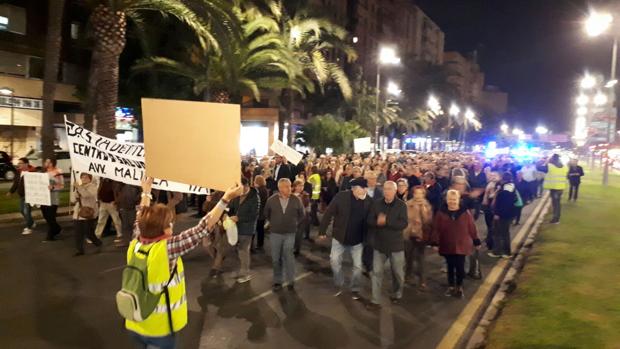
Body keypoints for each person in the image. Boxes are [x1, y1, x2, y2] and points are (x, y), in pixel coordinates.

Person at [124, 178, 242, 348]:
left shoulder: (135, 242)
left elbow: (140, 216)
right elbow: (203, 227)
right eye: (169, 223)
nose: (172, 225)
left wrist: (146, 191)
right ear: (164, 229)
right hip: (159, 329)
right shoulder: (166, 249)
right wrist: (225, 199)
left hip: (135, 322)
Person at [319, 178, 372, 300]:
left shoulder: (369, 202)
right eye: (353, 189)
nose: (354, 191)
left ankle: (355, 288)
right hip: (340, 237)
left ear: (364, 189)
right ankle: (339, 283)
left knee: (358, 266)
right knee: (334, 261)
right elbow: (329, 213)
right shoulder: (341, 197)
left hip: (357, 241)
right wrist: (322, 230)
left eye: (357, 189)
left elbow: (371, 221)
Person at [431, 190, 481, 298]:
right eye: (450, 199)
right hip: (447, 244)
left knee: (460, 267)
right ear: (446, 200)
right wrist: (435, 242)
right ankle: (451, 286)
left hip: (462, 244)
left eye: (454, 199)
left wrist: (476, 240)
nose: (452, 202)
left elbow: (472, 227)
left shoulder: (465, 212)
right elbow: (436, 229)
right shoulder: (441, 213)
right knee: (450, 266)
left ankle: (459, 286)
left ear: (458, 200)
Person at [367, 181, 408, 308]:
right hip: (379, 245)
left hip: (396, 245)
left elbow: (403, 224)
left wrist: (386, 221)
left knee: (398, 273)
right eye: (385, 189)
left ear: (395, 191)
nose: (387, 191)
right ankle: (375, 300)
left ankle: (397, 293)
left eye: (389, 189)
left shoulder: (401, 205)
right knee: (377, 273)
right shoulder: (377, 203)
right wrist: (376, 222)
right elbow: (369, 220)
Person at [264, 178, 305, 291]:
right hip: (275, 233)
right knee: (276, 258)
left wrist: (295, 223)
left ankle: (291, 280)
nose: (289, 188)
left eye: (290, 186)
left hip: (290, 233)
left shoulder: (296, 200)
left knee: (288, 255)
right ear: (280, 188)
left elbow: (302, 214)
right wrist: (273, 222)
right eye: (286, 186)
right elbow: (266, 213)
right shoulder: (271, 200)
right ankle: (278, 280)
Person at [228, 177, 260, 283]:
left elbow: (254, 215)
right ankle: (241, 271)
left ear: (247, 186)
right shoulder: (237, 195)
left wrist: (238, 218)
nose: (238, 190)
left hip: (247, 229)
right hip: (235, 227)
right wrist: (227, 215)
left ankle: (246, 273)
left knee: (243, 251)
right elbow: (230, 207)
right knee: (238, 250)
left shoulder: (255, 197)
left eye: (240, 188)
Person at [404, 186, 433, 290]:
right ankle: (408, 276)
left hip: (421, 235)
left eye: (421, 193)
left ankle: (422, 281)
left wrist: (424, 211)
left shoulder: (427, 205)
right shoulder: (408, 204)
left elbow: (428, 221)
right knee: (409, 257)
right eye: (416, 193)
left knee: (421, 258)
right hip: (409, 234)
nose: (419, 195)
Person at [489, 173, 517, 258]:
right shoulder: (508, 187)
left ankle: (502, 252)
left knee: (501, 233)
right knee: (502, 233)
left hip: (503, 215)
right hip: (506, 214)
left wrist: (497, 213)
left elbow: (504, 203)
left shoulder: (506, 189)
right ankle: (502, 251)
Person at [73, 173, 102, 256]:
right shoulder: (80, 187)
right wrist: (76, 191)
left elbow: (86, 195)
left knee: (89, 232)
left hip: (88, 212)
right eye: (82, 177)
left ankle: (98, 243)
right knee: (78, 232)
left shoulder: (92, 187)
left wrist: (79, 187)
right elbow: (74, 198)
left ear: (90, 178)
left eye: (86, 177)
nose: (84, 179)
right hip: (78, 213)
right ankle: (79, 250)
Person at [7, 157, 35, 235]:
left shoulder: (32, 172)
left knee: (27, 211)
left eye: (21, 163)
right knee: (22, 210)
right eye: (19, 163)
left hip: (29, 195)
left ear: (26, 164)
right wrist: (11, 191)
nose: (19, 164)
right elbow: (16, 183)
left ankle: (28, 228)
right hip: (22, 195)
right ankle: (31, 222)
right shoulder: (18, 172)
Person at [41, 157, 64, 242]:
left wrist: (53, 187)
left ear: (52, 163)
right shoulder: (43, 172)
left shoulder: (58, 172)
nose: (46, 163)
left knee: (51, 218)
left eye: (48, 162)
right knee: (46, 216)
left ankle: (51, 235)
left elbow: (62, 186)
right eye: (46, 162)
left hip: (53, 199)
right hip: (44, 199)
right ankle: (57, 229)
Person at [114, 182, 141, 247]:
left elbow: (139, 195)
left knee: (133, 225)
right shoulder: (121, 184)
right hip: (124, 207)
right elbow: (118, 193)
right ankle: (126, 241)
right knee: (125, 225)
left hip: (132, 208)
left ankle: (134, 241)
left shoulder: (136, 185)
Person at [543, 154, 566, 224]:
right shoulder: (564, 167)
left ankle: (555, 219)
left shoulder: (550, 166)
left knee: (555, 204)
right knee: (557, 204)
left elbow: (538, 167)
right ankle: (557, 218)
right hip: (560, 188)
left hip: (554, 188)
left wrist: (546, 162)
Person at [292, 179, 311, 254]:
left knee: (298, 235)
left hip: (301, 219)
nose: (301, 187)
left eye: (302, 186)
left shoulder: (305, 195)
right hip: (292, 218)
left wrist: (306, 215)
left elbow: (307, 207)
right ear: (295, 186)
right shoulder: (290, 195)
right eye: (299, 186)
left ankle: (297, 249)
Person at [253, 175, 269, 251]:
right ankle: (260, 244)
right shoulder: (265, 190)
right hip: (262, 213)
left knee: (255, 230)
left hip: (257, 213)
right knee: (261, 230)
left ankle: (254, 245)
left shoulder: (258, 190)